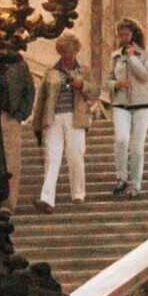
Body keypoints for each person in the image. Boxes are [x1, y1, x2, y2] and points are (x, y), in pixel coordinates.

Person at [32, 32, 91, 209]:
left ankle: (78, 193)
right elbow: (41, 98)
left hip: (76, 117)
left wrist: (81, 85)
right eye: (64, 51)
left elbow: (94, 91)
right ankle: (47, 198)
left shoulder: (84, 70)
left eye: (71, 51)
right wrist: (37, 124)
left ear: (76, 51)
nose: (68, 55)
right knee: (52, 156)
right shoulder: (51, 72)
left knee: (75, 155)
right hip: (53, 118)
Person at [109, 19, 148, 199]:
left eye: (126, 35)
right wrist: (116, 84)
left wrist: (132, 58)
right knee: (121, 139)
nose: (123, 38)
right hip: (121, 103)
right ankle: (121, 177)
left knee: (137, 145)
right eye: (120, 35)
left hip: (143, 104)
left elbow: (146, 75)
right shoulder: (114, 55)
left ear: (134, 34)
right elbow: (108, 79)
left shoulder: (147, 52)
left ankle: (135, 185)